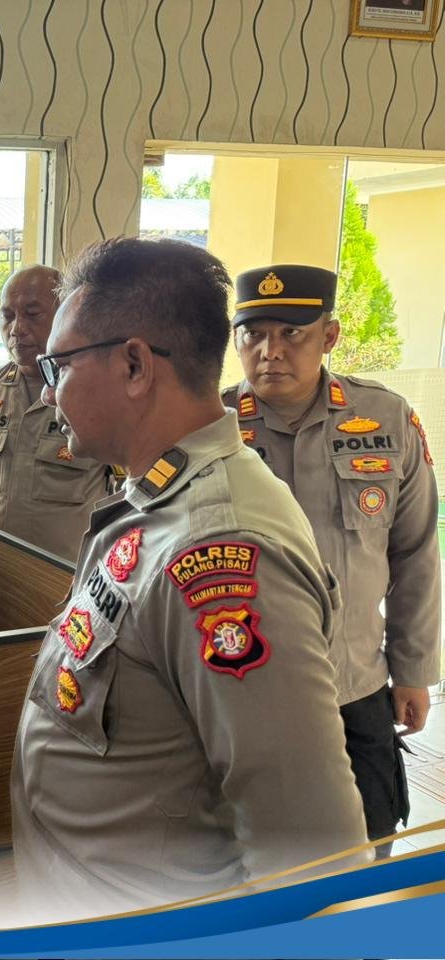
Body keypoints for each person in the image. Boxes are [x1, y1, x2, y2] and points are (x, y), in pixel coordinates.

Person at [9, 238, 369, 923]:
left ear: (135, 365)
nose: (47, 389)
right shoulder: (158, 501)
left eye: (60, 365)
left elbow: (313, 856)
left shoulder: (222, 549)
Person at [224, 263, 440, 855]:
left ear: (330, 335)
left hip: (354, 681)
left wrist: (413, 669)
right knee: (252, 848)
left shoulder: (386, 420)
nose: (270, 351)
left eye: (291, 333)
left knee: (368, 840)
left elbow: (416, 552)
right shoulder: (212, 429)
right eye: (253, 333)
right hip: (243, 687)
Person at [0, 265, 114, 561]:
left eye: (32, 314)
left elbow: (122, 492)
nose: (16, 329)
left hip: (63, 577)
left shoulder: (96, 397)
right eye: (8, 316)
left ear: (65, 316)